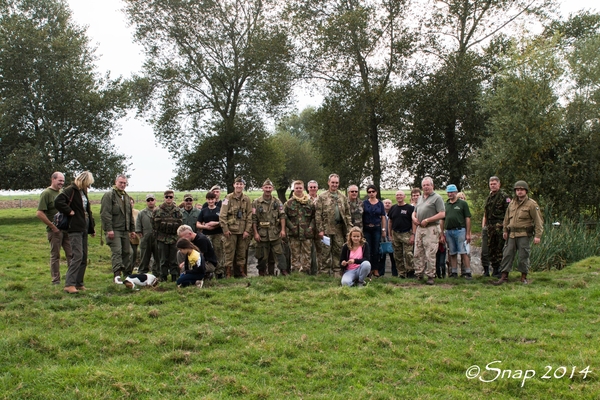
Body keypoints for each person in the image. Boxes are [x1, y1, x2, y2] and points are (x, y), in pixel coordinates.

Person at [494, 181, 543, 285]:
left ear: (526, 191)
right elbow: (506, 218)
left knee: (523, 256)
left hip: (524, 234)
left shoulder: (531, 204)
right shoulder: (512, 203)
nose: (519, 192)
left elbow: (538, 221)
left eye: (521, 190)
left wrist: (538, 236)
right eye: (517, 190)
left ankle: (523, 277)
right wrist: (505, 230)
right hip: (512, 234)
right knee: (507, 254)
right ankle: (504, 277)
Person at [55, 171, 96, 294]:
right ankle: (69, 284)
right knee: (77, 256)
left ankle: (79, 283)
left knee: (83, 256)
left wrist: (91, 228)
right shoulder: (70, 190)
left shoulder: (83, 192)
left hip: (84, 227)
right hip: (74, 228)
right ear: (84, 181)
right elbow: (58, 201)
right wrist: (69, 211)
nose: (89, 186)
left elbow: (87, 210)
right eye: (88, 183)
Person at [36, 172, 72, 285]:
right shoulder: (46, 193)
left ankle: (71, 278)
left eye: (63, 181)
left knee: (71, 254)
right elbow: (39, 213)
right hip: (55, 231)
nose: (61, 183)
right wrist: (52, 226)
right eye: (59, 180)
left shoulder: (62, 193)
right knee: (55, 255)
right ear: (53, 179)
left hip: (67, 229)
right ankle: (56, 280)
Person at [100, 174, 136, 283]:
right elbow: (105, 213)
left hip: (125, 230)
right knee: (117, 251)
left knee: (128, 252)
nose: (123, 185)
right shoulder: (109, 195)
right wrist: (109, 229)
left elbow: (129, 215)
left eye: (125, 183)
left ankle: (127, 274)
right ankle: (117, 275)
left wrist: (132, 229)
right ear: (116, 182)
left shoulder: (126, 196)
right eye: (121, 182)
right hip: (114, 229)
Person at [315, 173, 352, 277]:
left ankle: (337, 273)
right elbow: (318, 215)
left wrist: (349, 229)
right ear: (328, 183)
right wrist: (320, 230)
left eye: (336, 183)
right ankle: (324, 274)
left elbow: (347, 215)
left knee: (339, 252)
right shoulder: (322, 197)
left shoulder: (343, 197)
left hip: (339, 229)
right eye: (333, 182)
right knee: (325, 252)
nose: (334, 185)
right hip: (326, 230)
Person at [411, 177, 445, 285]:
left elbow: (442, 214)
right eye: (424, 185)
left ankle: (430, 276)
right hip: (420, 228)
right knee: (417, 252)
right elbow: (414, 211)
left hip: (431, 228)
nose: (426, 187)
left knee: (430, 253)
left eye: (428, 185)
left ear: (432, 186)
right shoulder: (420, 198)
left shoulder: (437, 198)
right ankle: (419, 274)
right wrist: (414, 218)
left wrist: (428, 220)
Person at [252, 179, 288, 276]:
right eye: (266, 187)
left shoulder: (277, 202)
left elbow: (282, 216)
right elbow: (254, 219)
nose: (268, 189)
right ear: (262, 188)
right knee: (262, 256)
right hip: (262, 233)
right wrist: (255, 233)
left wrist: (283, 230)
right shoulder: (256, 202)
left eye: (269, 187)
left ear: (272, 188)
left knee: (279, 253)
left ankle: (283, 271)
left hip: (275, 232)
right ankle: (262, 272)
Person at [220, 177, 252, 278]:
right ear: (234, 185)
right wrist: (225, 229)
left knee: (241, 252)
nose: (239, 186)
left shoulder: (246, 199)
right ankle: (228, 273)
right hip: (231, 231)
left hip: (243, 231)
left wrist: (247, 230)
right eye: (237, 184)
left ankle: (240, 272)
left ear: (243, 186)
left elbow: (250, 216)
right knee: (229, 252)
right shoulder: (227, 198)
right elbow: (222, 215)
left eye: (241, 184)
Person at [481, 176, 511, 277]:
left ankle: (500, 270)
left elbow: (508, 212)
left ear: (499, 184)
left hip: (500, 225)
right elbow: (486, 211)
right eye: (491, 184)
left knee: (499, 248)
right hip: (490, 226)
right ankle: (494, 269)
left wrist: (505, 226)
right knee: (491, 248)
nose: (492, 186)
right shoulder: (489, 197)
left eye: (494, 184)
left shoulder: (504, 196)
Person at [284, 180, 316, 274]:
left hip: (307, 233)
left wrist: (310, 228)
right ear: (294, 189)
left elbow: (314, 217)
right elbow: (284, 217)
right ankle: (295, 273)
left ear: (303, 188)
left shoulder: (309, 203)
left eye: (300, 188)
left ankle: (306, 273)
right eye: (296, 188)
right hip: (294, 233)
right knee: (295, 255)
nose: (298, 190)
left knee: (307, 255)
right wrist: (291, 227)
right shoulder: (289, 203)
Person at [153, 190, 183, 282]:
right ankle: (163, 276)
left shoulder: (178, 210)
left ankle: (174, 276)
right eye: (167, 197)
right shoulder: (158, 210)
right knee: (163, 259)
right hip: (162, 238)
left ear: (173, 198)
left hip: (174, 238)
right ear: (164, 198)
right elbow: (153, 225)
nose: (169, 199)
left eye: (171, 197)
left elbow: (180, 223)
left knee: (174, 259)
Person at [444, 184, 473, 279]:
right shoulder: (446, 204)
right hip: (449, 231)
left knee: (463, 251)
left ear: (456, 192)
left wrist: (468, 233)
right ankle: (454, 272)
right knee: (452, 252)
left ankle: (468, 272)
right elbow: (442, 219)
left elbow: (467, 218)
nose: (450, 194)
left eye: (452, 192)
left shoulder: (462, 204)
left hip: (460, 230)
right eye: (448, 192)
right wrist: (441, 233)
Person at [196, 191, 225, 278]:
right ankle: (208, 272)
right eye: (209, 199)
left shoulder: (219, 210)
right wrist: (205, 227)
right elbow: (198, 224)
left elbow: (223, 221)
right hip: (207, 235)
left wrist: (215, 223)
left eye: (212, 199)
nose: (210, 201)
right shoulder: (204, 211)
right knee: (207, 253)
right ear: (206, 200)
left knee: (219, 253)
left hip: (218, 234)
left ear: (215, 200)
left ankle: (219, 273)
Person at [388, 191, 415, 279]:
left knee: (408, 254)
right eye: (397, 195)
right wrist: (390, 234)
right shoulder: (393, 208)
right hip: (395, 233)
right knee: (397, 255)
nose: (399, 196)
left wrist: (413, 234)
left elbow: (413, 222)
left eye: (401, 195)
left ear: (404, 196)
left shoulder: (410, 208)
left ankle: (410, 271)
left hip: (407, 233)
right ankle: (401, 273)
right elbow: (390, 221)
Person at [362, 184, 386, 277]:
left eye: (373, 191)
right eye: (369, 192)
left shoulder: (380, 203)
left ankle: (375, 269)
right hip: (367, 228)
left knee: (376, 249)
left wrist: (383, 229)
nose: (371, 193)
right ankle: (368, 269)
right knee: (368, 249)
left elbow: (383, 217)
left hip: (377, 228)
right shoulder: (364, 203)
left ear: (376, 192)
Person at [136, 194, 158, 275]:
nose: (150, 202)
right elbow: (138, 225)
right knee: (144, 257)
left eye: (152, 200)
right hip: (145, 238)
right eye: (148, 200)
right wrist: (140, 234)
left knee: (158, 257)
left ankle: (157, 273)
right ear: (146, 202)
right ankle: (142, 273)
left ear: (155, 200)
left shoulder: (159, 211)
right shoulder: (142, 213)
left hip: (157, 238)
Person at [380, 198, 397, 276]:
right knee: (382, 255)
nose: (387, 204)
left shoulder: (394, 213)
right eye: (385, 203)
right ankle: (381, 273)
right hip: (382, 237)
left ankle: (395, 274)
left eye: (389, 203)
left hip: (392, 237)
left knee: (393, 256)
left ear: (391, 204)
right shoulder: (380, 214)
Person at [307, 180, 321, 275]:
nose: (313, 189)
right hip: (308, 228)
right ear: (308, 188)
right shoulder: (304, 199)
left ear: (317, 188)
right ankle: (309, 270)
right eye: (311, 187)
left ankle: (319, 271)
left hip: (319, 228)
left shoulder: (321, 199)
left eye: (314, 187)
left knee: (320, 250)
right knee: (308, 250)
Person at [130, 198, 140, 270]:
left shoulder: (137, 212)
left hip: (135, 236)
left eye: (131, 203)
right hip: (126, 236)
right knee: (128, 252)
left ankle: (132, 267)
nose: (130, 204)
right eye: (129, 203)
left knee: (134, 253)